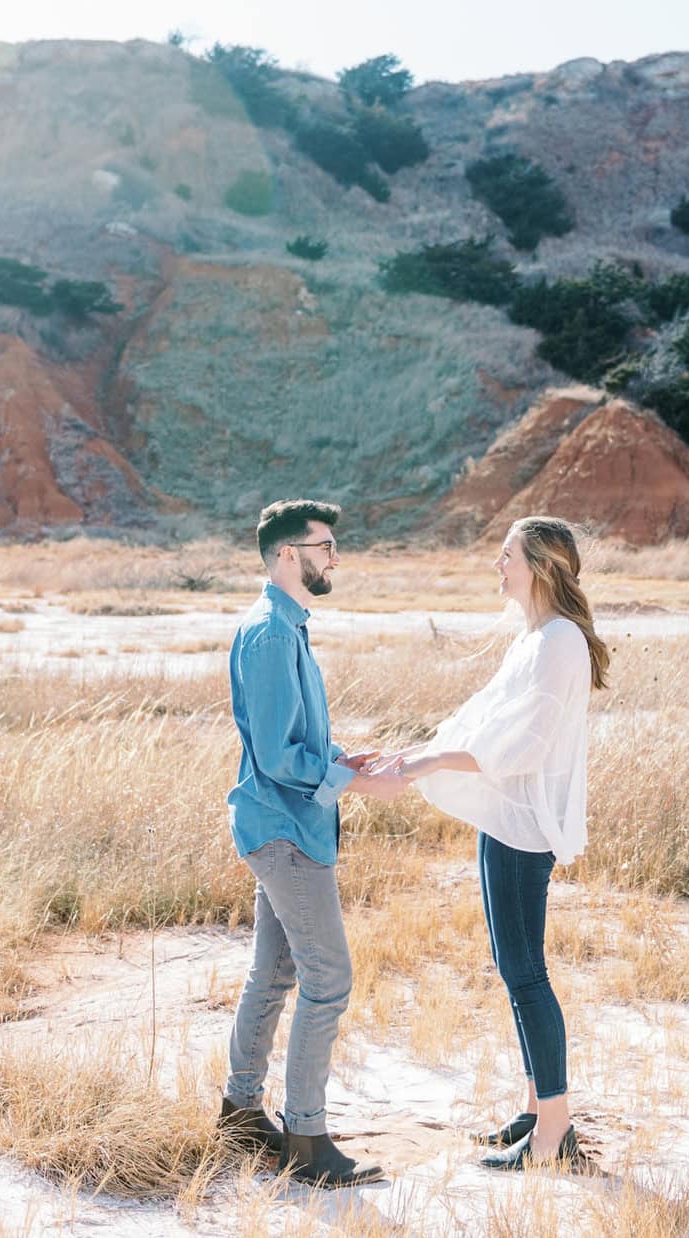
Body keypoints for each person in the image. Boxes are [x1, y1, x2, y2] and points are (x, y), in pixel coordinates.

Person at [369, 516, 609, 1170]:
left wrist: (425, 766)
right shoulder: (533, 638)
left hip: (523, 829)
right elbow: (479, 720)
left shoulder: (559, 641)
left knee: (526, 972)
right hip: (504, 822)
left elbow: (522, 745)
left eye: (505, 556)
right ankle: (535, 1109)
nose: (496, 567)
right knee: (514, 969)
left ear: (538, 565)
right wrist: (410, 753)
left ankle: (556, 1135)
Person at [217, 499, 409, 1188]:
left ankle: (239, 1112)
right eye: (325, 547)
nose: (335, 558)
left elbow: (296, 740)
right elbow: (275, 755)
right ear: (287, 555)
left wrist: (344, 760)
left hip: (285, 824)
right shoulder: (271, 633)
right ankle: (306, 1138)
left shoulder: (288, 626)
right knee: (328, 981)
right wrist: (351, 786)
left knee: (273, 973)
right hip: (284, 830)